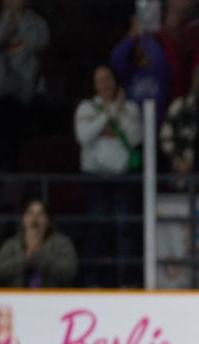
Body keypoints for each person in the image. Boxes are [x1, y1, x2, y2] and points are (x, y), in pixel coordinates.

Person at [75, 65, 143, 286]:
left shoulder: (130, 108)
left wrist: (118, 113)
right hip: (95, 178)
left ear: (115, 81)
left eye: (108, 78)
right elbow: (84, 136)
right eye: (99, 79)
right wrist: (109, 114)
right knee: (97, 229)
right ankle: (94, 281)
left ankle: (127, 280)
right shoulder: (86, 108)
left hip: (124, 178)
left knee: (126, 229)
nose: (104, 83)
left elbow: (135, 138)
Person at [0, 0, 50, 106]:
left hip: (27, 93)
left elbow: (38, 43)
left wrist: (20, 18)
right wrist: (6, 22)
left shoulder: (38, 22)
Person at [0, 199, 79, 288]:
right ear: (23, 219)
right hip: (17, 298)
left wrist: (39, 255)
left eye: (40, 214)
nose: (34, 219)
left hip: (52, 297)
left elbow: (70, 272)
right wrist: (25, 258)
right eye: (30, 214)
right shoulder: (11, 244)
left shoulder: (62, 243)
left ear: (48, 220)